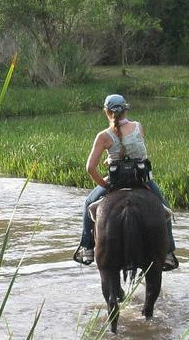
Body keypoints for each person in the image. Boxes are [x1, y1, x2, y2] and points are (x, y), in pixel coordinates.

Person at [73, 94, 178, 270]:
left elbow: (90, 168)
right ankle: (168, 252)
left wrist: (104, 184)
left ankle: (87, 248)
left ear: (106, 111)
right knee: (164, 208)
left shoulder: (103, 136)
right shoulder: (138, 126)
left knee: (89, 203)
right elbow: (137, 152)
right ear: (126, 109)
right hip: (142, 179)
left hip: (116, 181)